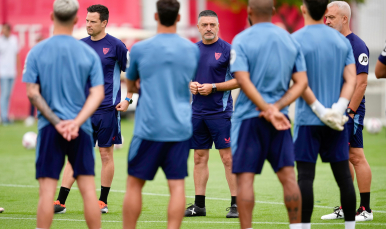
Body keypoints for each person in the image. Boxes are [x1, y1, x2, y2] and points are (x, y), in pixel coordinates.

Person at [22, 0, 104, 228]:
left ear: (52, 16)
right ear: (77, 20)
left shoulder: (36, 51)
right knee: (88, 192)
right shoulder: (88, 53)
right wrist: (76, 122)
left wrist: (58, 123)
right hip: (81, 129)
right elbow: (97, 94)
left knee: (47, 192)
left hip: (49, 128)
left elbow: (32, 93)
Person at [230, 0, 308, 228]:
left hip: (248, 118)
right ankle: (296, 227)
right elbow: (301, 82)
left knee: (245, 178)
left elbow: (242, 80)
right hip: (280, 119)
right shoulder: (289, 39)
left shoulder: (242, 39)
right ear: (273, 11)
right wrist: (276, 108)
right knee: (288, 177)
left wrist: (265, 108)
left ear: (249, 11)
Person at [122, 0, 199, 228]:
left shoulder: (139, 48)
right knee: (177, 186)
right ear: (178, 18)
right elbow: (186, 77)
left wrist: (137, 86)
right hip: (179, 128)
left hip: (148, 128)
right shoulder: (191, 49)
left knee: (134, 184)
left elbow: (132, 83)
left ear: (156, 17)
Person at [54, 4, 131, 214]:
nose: (87, 24)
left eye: (92, 21)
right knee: (74, 154)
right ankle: (60, 201)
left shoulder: (117, 46)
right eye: (86, 20)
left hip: (108, 110)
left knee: (106, 154)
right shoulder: (79, 46)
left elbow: (133, 75)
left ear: (104, 22)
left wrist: (128, 100)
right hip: (82, 111)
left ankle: (102, 201)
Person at [292, 0, 358, 228]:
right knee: (344, 178)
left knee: (305, 177)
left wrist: (319, 109)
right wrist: (338, 108)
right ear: (324, 12)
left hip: (307, 119)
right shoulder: (342, 41)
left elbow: (299, 81)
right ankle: (351, 226)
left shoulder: (296, 39)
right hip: (336, 122)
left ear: (303, 9)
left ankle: (304, 227)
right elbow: (352, 79)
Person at [185, 9, 239, 218]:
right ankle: (199, 206)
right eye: (204, 25)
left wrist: (214, 87)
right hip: (197, 113)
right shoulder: (192, 50)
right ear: (198, 27)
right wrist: (189, 84)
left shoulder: (228, 50)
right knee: (199, 157)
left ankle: (236, 205)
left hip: (221, 112)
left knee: (228, 159)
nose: (209, 28)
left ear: (218, 26)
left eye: (212, 25)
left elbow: (239, 80)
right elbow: (184, 77)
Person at [323, 1, 373, 221]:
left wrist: (350, 111)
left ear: (344, 18)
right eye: (326, 17)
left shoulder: (357, 45)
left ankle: (365, 209)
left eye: (331, 17)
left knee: (355, 156)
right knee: (342, 158)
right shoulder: (332, 43)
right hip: (336, 111)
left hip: (351, 111)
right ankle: (347, 206)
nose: (326, 21)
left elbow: (361, 84)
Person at [0, 23, 19, 125]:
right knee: (4, 94)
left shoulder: (14, 40)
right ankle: (4, 117)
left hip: (12, 72)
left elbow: (17, 54)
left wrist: (19, 69)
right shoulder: (0, 41)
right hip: (2, 72)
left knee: (8, 95)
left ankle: (6, 115)